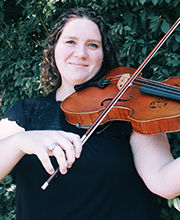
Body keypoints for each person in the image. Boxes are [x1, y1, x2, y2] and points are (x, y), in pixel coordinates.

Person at [0, 6, 179, 220]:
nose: (81, 53)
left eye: (92, 45)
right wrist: (20, 141)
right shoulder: (27, 111)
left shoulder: (132, 111)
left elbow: (163, 181)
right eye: (70, 42)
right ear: (53, 48)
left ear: (103, 55)